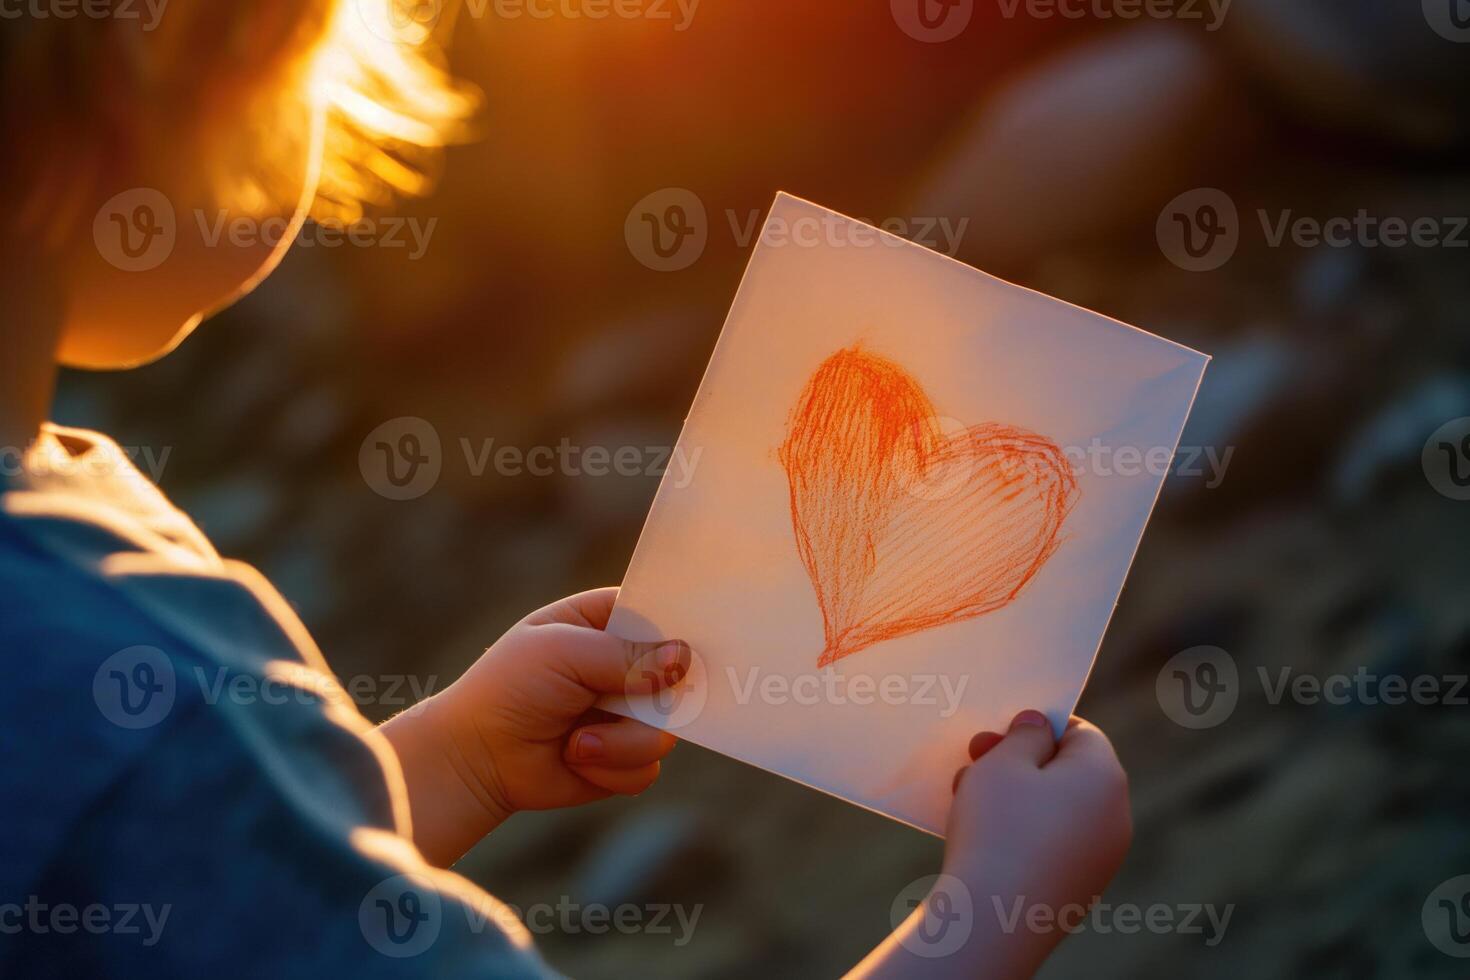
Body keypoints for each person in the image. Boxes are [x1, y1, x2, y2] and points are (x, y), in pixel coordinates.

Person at [0, 3, 1132, 976]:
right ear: (174, 83)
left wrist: (451, 760)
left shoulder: (79, 624)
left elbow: (177, 896)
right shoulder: (148, 710)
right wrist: (987, 917)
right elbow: (154, 823)